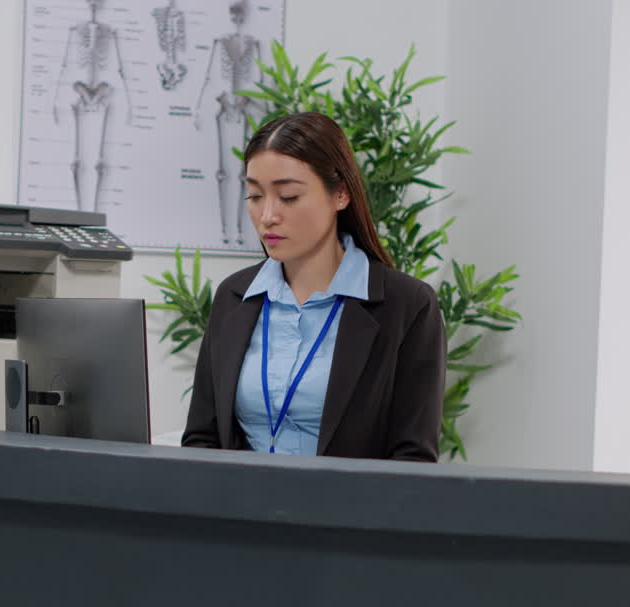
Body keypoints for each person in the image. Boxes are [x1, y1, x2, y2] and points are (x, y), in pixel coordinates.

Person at [182, 112, 447, 461]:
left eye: (288, 196)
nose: (267, 216)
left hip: (348, 513)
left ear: (340, 194)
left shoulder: (408, 305)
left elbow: (413, 459)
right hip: (241, 509)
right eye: (255, 196)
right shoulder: (234, 297)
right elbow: (203, 438)